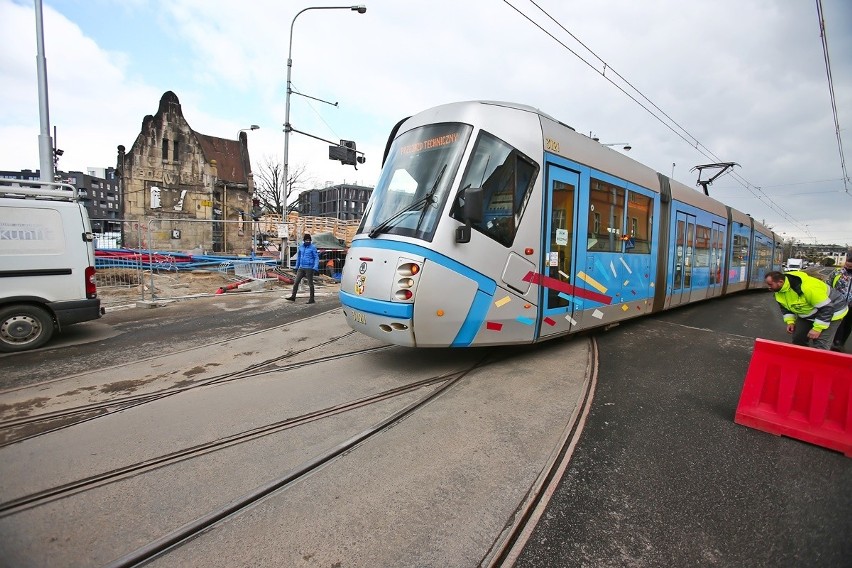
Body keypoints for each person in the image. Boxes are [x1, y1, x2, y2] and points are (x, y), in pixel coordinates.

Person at [764, 270, 849, 350]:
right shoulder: (779, 291)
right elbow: (785, 307)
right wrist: (790, 321)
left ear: (780, 282)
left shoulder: (808, 288)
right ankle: (802, 361)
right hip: (809, 312)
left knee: (820, 344)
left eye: (770, 284)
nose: (768, 287)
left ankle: (818, 364)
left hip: (833, 312)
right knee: (798, 338)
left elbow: (827, 308)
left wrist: (817, 329)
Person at [827, 255, 852, 352]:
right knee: (839, 323)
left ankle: (841, 342)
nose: (848, 268)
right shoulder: (838, 272)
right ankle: (836, 342)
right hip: (838, 303)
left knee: (848, 325)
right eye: (847, 265)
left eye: (850, 267)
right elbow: (828, 284)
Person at [286, 233, 319, 304]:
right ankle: (293, 296)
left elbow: (316, 258)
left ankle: (312, 299)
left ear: (310, 240)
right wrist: (296, 267)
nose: (308, 241)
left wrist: (315, 267)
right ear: (304, 240)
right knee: (296, 282)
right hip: (301, 267)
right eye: (306, 240)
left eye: (309, 240)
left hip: (309, 268)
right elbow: (298, 257)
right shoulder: (301, 247)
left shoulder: (313, 247)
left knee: (310, 284)